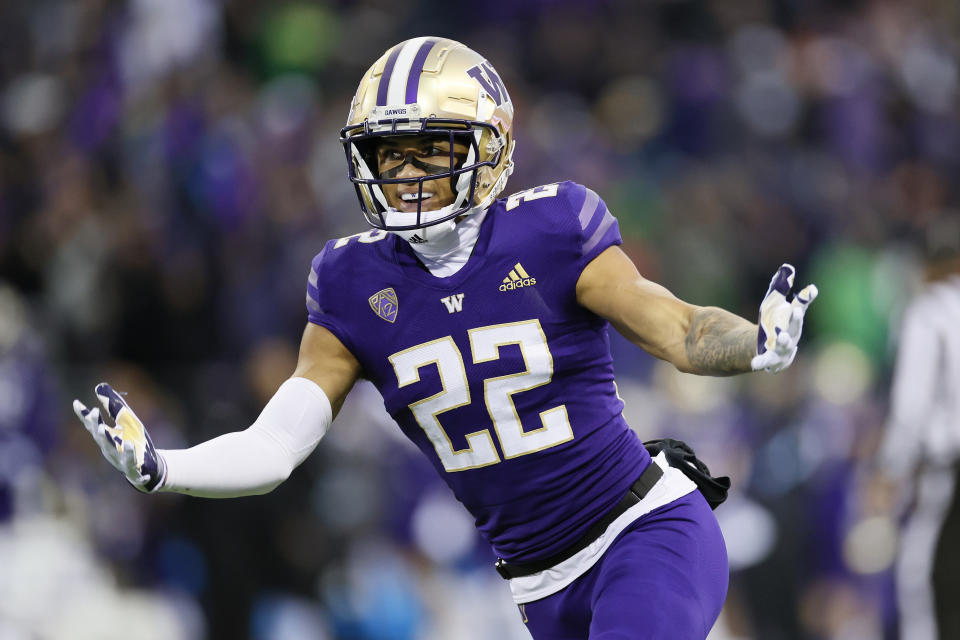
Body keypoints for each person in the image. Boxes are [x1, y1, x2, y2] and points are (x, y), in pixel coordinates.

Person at [74, 37, 817, 639]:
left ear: (488, 146)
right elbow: (275, 445)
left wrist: (758, 344)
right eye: (387, 153)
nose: (404, 173)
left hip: (643, 532)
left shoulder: (553, 228)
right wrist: (164, 467)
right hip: (535, 587)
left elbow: (679, 328)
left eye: (428, 148)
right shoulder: (348, 281)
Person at [873, 214, 960, 640]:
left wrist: (890, 469)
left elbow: (911, 405)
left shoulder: (931, 311)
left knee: (921, 578)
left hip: (950, 468)